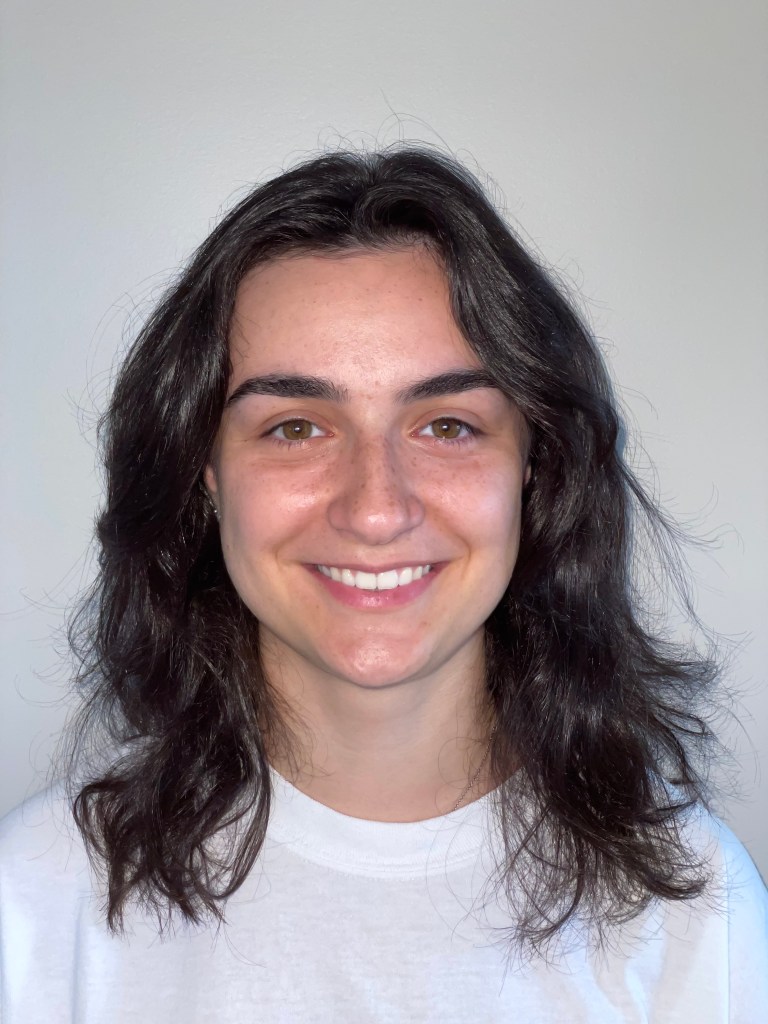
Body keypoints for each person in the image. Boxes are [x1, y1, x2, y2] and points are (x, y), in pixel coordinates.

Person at [0, 147, 766, 1022]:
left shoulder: (693, 913)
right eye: (295, 428)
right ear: (205, 472)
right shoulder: (37, 903)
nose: (375, 509)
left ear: (534, 465)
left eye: (447, 425)